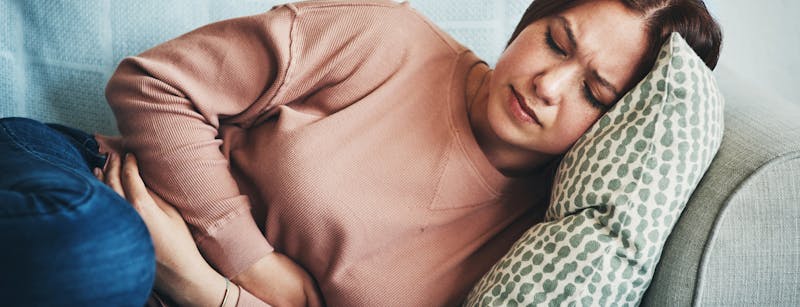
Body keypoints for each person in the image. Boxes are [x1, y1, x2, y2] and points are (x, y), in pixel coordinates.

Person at [0, 0, 722, 305]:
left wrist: (203, 284)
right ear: (529, 21)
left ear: (618, 125)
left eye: (594, 91)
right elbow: (153, 85)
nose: (549, 83)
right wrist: (251, 259)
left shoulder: (537, 244)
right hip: (88, 189)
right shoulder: (387, 37)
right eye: (556, 41)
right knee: (104, 254)